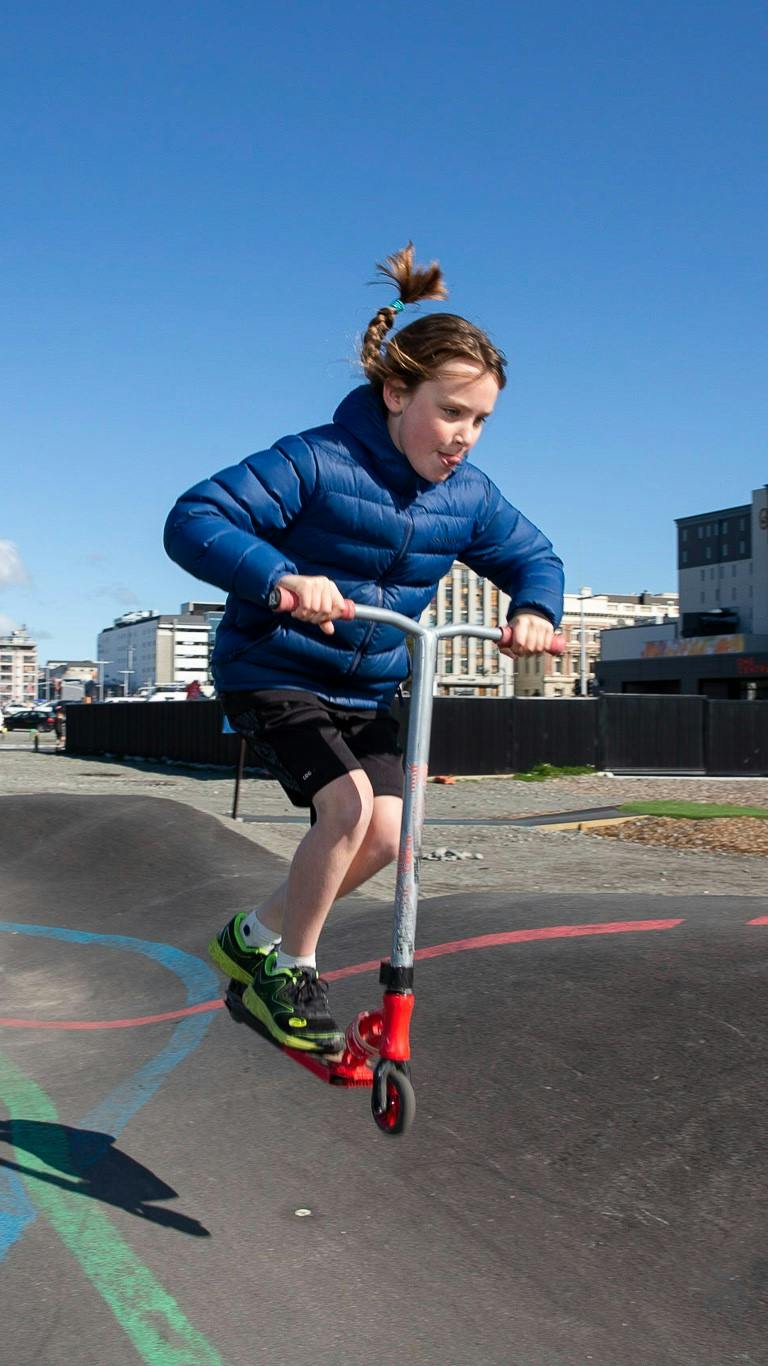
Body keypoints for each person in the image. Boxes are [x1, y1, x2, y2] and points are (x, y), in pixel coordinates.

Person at [163, 244, 562, 1051]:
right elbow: (194, 519)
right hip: (274, 669)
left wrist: (534, 611)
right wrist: (281, 577)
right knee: (343, 807)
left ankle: (252, 939)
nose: (466, 438)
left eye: (481, 421)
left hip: (370, 686)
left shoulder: (469, 497)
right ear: (394, 393)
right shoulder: (315, 460)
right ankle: (291, 972)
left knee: (386, 834)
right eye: (452, 412)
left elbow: (534, 557)